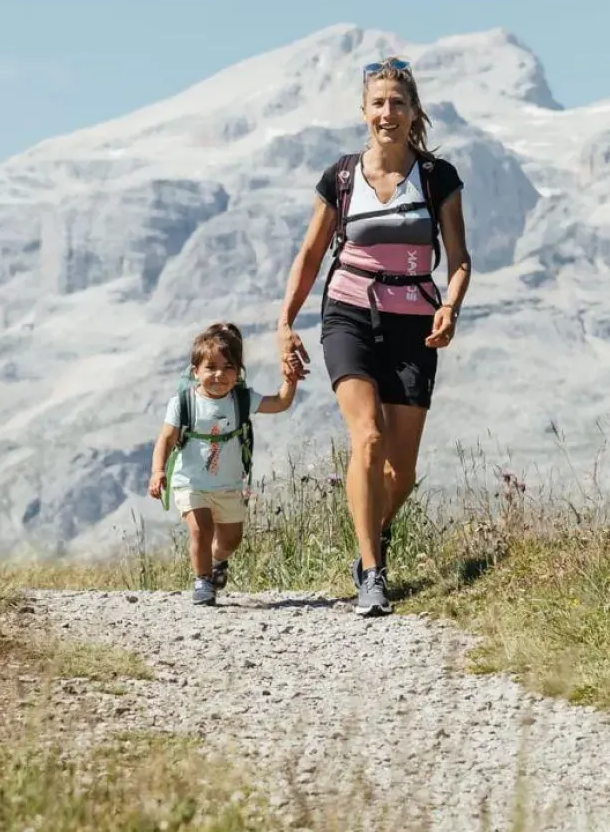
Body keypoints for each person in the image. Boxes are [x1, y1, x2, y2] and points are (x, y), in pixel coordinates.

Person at [276, 57, 470, 617]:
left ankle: (370, 535)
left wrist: (450, 308)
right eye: (378, 103)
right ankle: (373, 571)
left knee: (400, 471)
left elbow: (458, 260)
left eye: (398, 103)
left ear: (414, 113)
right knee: (367, 438)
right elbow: (311, 255)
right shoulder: (340, 177)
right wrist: (286, 321)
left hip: (416, 321)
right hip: (348, 313)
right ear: (364, 112)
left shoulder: (438, 178)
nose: (388, 113)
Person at [147, 321, 299, 606]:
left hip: (228, 485)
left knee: (231, 539)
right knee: (201, 529)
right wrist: (158, 472)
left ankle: (217, 562)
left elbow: (279, 403)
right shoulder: (183, 402)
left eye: (228, 367)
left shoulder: (241, 399)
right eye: (211, 367)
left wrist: (290, 382)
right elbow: (166, 440)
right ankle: (203, 581)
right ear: (196, 372)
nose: (219, 375)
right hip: (190, 482)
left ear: (238, 372)